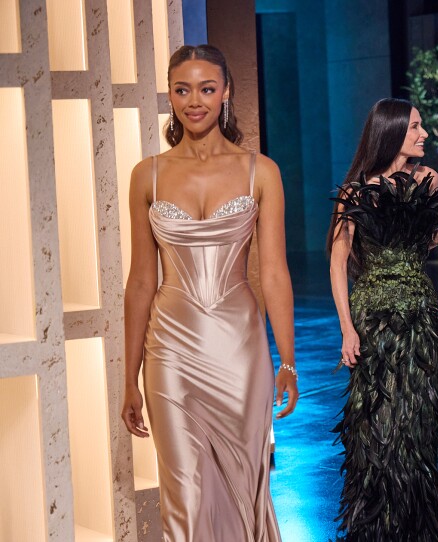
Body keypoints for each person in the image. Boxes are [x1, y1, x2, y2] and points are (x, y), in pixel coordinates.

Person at [120, 44, 297, 541]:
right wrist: (128, 376)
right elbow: (139, 282)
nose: (193, 100)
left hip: (239, 353)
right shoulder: (146, 175)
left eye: (206, 88)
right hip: (170, 352)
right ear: (171, 96)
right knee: (186, 494)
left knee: (245, 487)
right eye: (182, 89)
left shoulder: (260, 171)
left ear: (225, 93)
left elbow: (275, 273)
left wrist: (287, 361)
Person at [328, 98, 438, 541]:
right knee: (376, 422)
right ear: (393, 132)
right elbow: (338, 259)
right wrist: (347, 327)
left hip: (420, 317)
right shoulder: (357, 191)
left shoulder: (428, 179)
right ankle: (377, 528)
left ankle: (417, 529)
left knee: (418, 421)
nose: (424, 135)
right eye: (416, 127)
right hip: (374, 319)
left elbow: (431, 243)